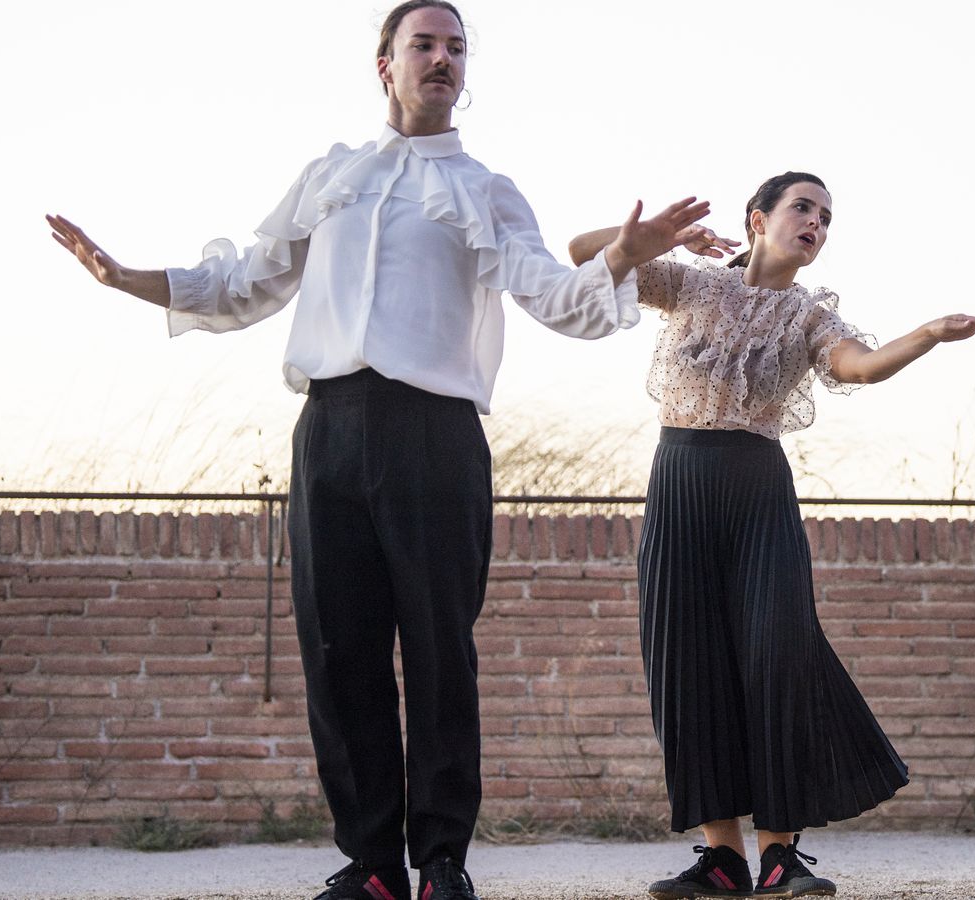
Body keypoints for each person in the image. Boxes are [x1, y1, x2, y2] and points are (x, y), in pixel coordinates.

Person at [46, 4, 713, 899]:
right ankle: (370, 868)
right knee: (336, 649)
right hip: (327, 428)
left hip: (435, 435)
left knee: (441, 650)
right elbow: (247, 282)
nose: (443, 59)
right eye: (424, 45)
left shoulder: (486, 189)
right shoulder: (332, 174)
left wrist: (622, 257)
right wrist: (128, 277)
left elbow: (558, 299)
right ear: (384, 65)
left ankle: (441, 863)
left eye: (456, 48)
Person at [570, 171, 975, 899]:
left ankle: (779, 853)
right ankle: (721, 858)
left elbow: (859, 367)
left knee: (778, 653)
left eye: (826, 217)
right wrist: (656, 238)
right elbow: (585, 254)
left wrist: (930, 333)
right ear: (757, 220)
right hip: (679, 480)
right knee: (687, 660)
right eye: (803, 208)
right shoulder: (690, 284)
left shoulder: (809, 318)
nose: (816, 224)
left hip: (757, 489)